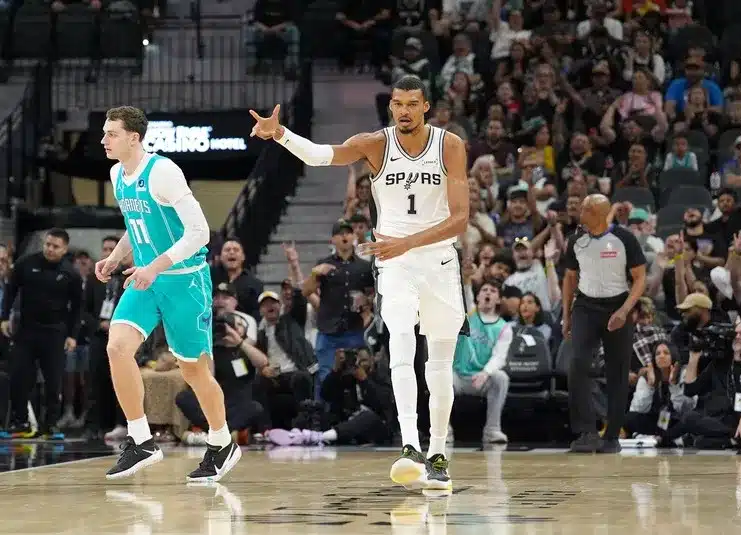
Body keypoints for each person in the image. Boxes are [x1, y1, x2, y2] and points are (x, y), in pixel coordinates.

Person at [249, 75, 470, 493]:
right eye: (398, 103)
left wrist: (407, 241)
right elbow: (320, 156)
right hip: (395, 263)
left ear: (426, 107)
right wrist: (280, 134)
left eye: (413, 104)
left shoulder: (449, 145)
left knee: (439, 366)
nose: (404, 111)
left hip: (439, 262)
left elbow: (460, 219)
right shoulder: (375, 144)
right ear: (391, 107)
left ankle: (439, 454)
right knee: (401, 347)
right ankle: (410, 447)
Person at [97, 106, 241, 482]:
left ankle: (222, 443)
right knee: (117, 348)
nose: (104, 140)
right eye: (105, 132)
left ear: (134, 138)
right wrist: (115, 257)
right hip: (146, 279)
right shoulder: (117, 173)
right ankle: (141, 440)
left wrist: (154, 267)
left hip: (184, 281)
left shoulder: (163, 172)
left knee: (193, 371)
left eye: (111, 133)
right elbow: (136, 225)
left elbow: (200, 233)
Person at [562, 194, 647, 453]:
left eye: (585, 210)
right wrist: (567, 316)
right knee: (577, 364)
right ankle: (586, 432)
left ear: (598, 213)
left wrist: (624, 310)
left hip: (617, 305)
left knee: (617, 372)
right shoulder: (576, 240)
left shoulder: (624, 239)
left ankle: (611, 436)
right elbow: (569, 278)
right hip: (585, 307)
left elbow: (640, 278)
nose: (580, 213)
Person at [0, 228, 84, 439]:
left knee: (54, 381)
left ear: (64, 249)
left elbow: (77, 308)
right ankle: (20, 422)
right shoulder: (26, 263)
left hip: (55, 333)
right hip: (26, 331)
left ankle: (51, 425)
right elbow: (10, 290)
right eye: (47, 244)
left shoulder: (70, 273)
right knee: (20, 376)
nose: (50, 249)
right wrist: (4, 317)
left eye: (55, 246)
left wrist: (73, 335)